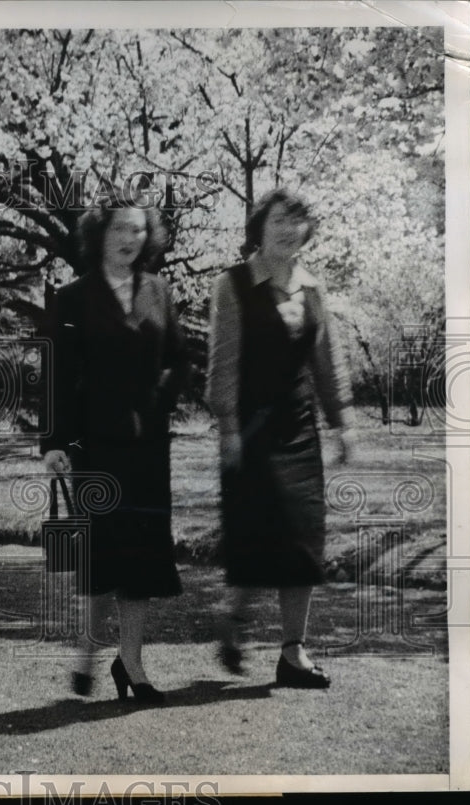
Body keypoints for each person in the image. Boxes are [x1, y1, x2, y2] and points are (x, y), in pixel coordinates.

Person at [41, 198, 188, 704]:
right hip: (96, 445)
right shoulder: (72, 298)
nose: (131, 239)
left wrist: (158, 401)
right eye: (121, 229)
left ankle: (132, 662)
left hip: (147, 445)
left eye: (139, 231)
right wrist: (55, 442)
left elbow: (178, 360)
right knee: (105, 554)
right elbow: (56, 373)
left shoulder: (158, 291)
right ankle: (87, 650)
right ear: (100, 234)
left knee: (143, 556)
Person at [206, 188, 354, 689]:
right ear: (259, 228)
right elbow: (223, 363)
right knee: (257, 533)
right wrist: (227, 429)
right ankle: (235, 618)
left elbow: (327, 361)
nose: (288, 230)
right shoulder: (234, 284)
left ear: (307, 231)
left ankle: (293, 653)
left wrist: (343, 423)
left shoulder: (313, 288)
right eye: (277, 221)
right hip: (250, 430)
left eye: (297, 222)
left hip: (299, 428)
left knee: (303, 538)